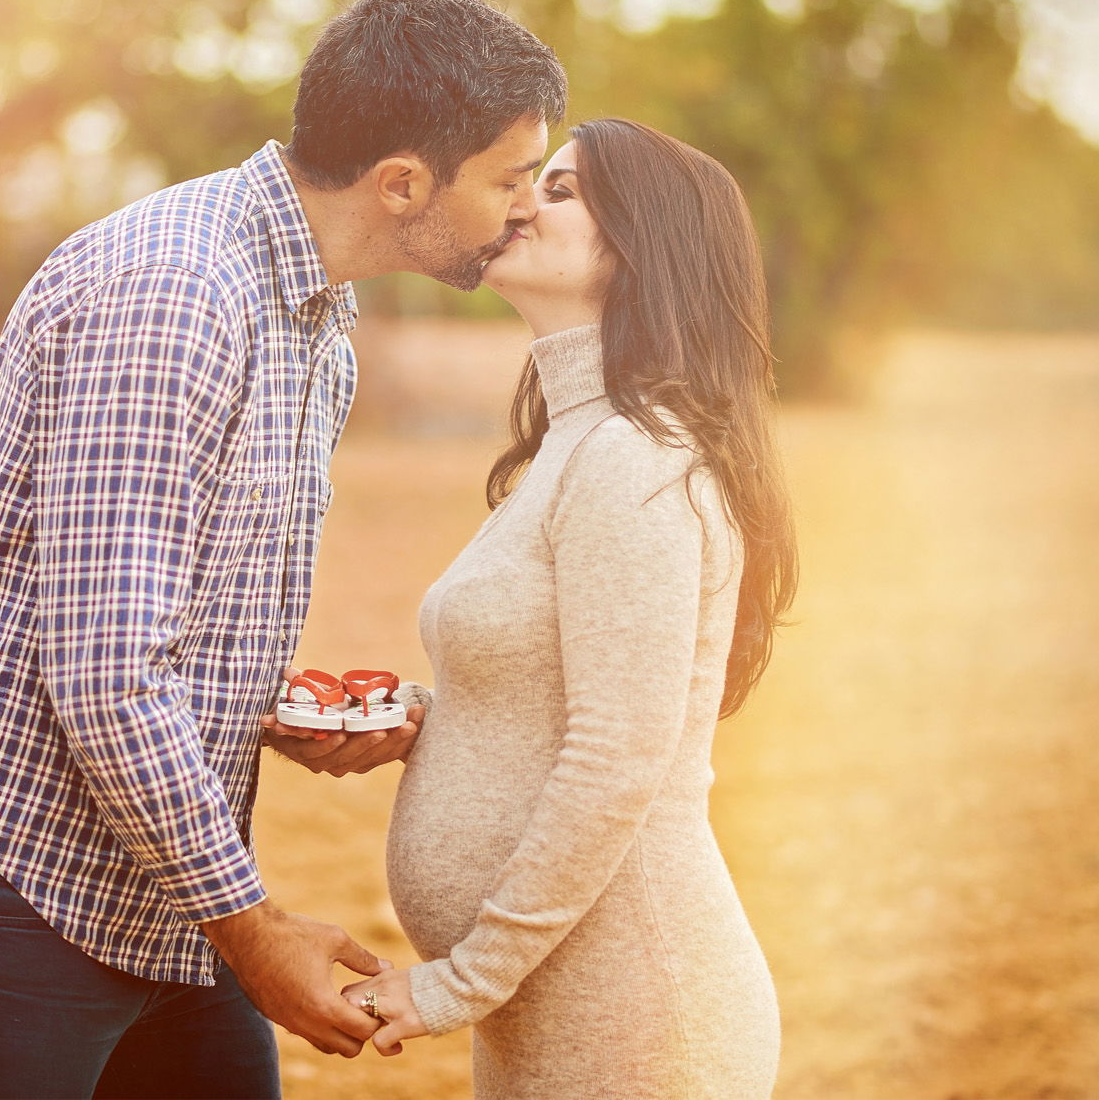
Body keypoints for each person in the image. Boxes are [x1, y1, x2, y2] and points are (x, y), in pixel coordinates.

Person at [0, 0, 568, 1098]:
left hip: (158, 875)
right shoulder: (177, 291)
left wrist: (270, 704)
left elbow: (148, 606)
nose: (521, 209)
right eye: (507, 178)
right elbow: (105, 673)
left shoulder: (313, 320)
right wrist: (255, 933)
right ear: (400, 182)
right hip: (9, 868)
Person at [268, 117, 796, 1098]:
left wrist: (458, 982)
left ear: (641, 242)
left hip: (635, 1018)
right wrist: (425, 718)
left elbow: (617, 752)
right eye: (529, 182)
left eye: (558, 190)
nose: (520, 202)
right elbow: (555, 691)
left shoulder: (632, 456)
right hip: (555, 1013)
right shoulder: (575, 444)